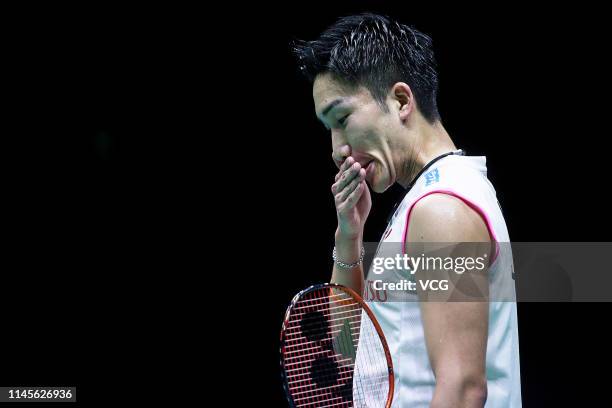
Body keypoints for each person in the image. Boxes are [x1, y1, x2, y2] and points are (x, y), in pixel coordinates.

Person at [294, 13, 521, 407]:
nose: (336, 149)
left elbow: (464, 389)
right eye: (328, 128)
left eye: (343, 119)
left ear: (400, 100)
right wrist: (348, 237)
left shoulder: (441, 210)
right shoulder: (422, 204)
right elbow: (349, 349)